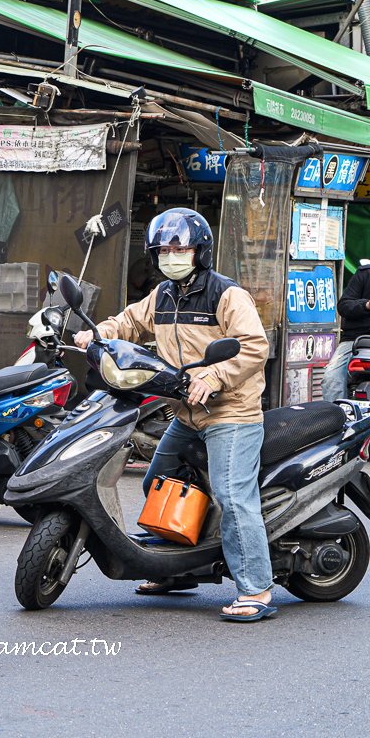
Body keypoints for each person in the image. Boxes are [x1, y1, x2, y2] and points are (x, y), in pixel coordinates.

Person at [74, 208, 273, 620]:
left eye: (178, 247)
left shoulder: (226, 294)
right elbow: (130, 322)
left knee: (233, 496)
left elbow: (255, 346)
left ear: (199, 251)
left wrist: (215, 374)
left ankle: (256, 589)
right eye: (163, 249)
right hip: (184, 414)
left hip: (230, 413)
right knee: (157, 481)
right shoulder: (163, 295)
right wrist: (97, 334)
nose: (170, 255)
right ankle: (177, 571)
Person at [323, 259, 370, 403]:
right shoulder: (365, 273)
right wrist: (366, 305)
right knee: (331, 378)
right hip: (355, 340)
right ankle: (336, 420)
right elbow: (344, 306)